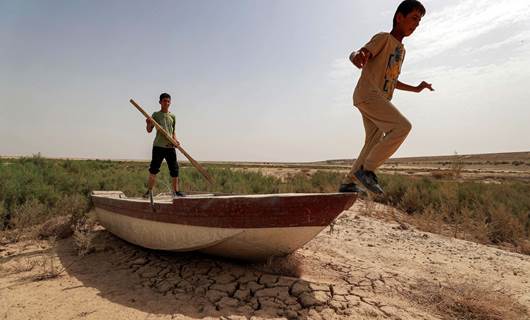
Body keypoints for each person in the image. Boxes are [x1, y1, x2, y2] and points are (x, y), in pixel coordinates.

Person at [339, 0, 433, 195]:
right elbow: (361, 52)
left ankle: (348, 182)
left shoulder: (401, 50)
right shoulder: (384, 38)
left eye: (419, 21)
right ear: (399, 17)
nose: (416, 24)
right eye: (414, 18)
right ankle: (367, 170)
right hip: (368, 94)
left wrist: (416, 89)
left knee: (373, 141)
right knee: (402, 127)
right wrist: (357, 56)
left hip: (378, 99)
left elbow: (392, 79)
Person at [144, 93, 185, 198]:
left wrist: (175, 140)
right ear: (160, 102)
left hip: (170, 147)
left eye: (168, 101)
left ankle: (176, 191)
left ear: (170, 102)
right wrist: (148, 123)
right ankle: (149, 192)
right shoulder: (155, 115)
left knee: (174, 170)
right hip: (158, 146)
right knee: (154, 169)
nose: (166, 103)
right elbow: (149, 130)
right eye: (164, 101)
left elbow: (173, 132)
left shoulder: (173, 116)